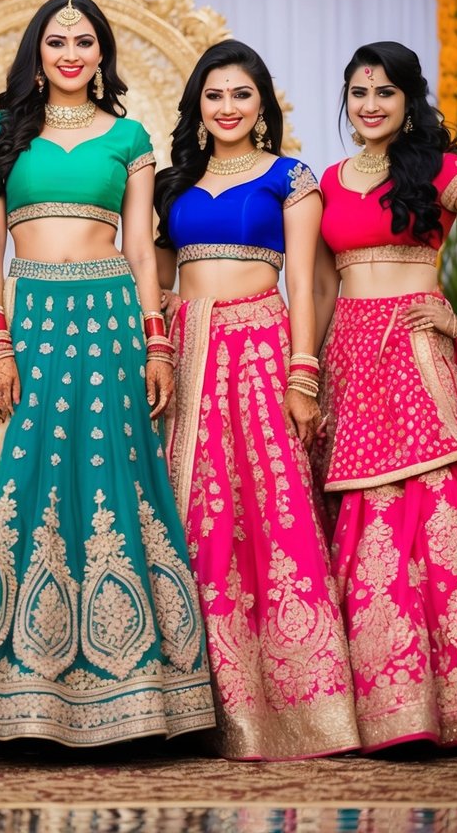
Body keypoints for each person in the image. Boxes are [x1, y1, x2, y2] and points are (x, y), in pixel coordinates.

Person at [0, 0, 216, 746]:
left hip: (112, 319)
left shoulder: (129, 136)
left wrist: (156, 343)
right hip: (32, 319)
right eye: (57, 41)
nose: (72, 53)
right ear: (36, 53)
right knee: (25, 483)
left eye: (85, 41)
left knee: (114, 481)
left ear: (102, 55)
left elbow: (145, 251)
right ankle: (6, 693)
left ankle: (139, 693)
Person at [153, 40, 360, 761]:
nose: (227, 107)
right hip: (184, 357)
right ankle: (191, 705)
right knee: (191, 519)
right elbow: (154, 283)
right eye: (214, 96)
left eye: (241, 94)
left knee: (270, 515)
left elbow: (304, 284)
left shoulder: (289, 178)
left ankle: (295, 708)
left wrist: (304, 374)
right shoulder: (174, 179)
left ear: (262, 105)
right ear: (197, 106)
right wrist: (154, 351)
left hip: (260, 350)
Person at [313, 40, 457, 751]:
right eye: (358, 92)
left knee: (440, 526)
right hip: (350, 364)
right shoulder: (327, 178)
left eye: (384, 92)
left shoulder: (440, 170)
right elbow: (323, 287)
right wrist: (308, 372)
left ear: (408, 100)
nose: (369, 105)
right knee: (370, 530)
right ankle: (395, 713)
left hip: (417, 356)